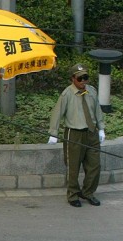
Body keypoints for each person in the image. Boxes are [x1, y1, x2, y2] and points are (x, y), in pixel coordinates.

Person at [48, 64, 105, 207]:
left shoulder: (91, 91)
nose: (83, 81)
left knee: (94, 166)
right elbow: (57, 113)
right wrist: (53, 133)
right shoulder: (67, 94)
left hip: (91, 133)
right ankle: (73, 195)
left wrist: (101, 128)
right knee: (73, 167)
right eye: (80, 78)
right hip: (74, 133)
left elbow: (97, 110)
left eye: (86, 77)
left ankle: (88, 192)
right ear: (73, 78)